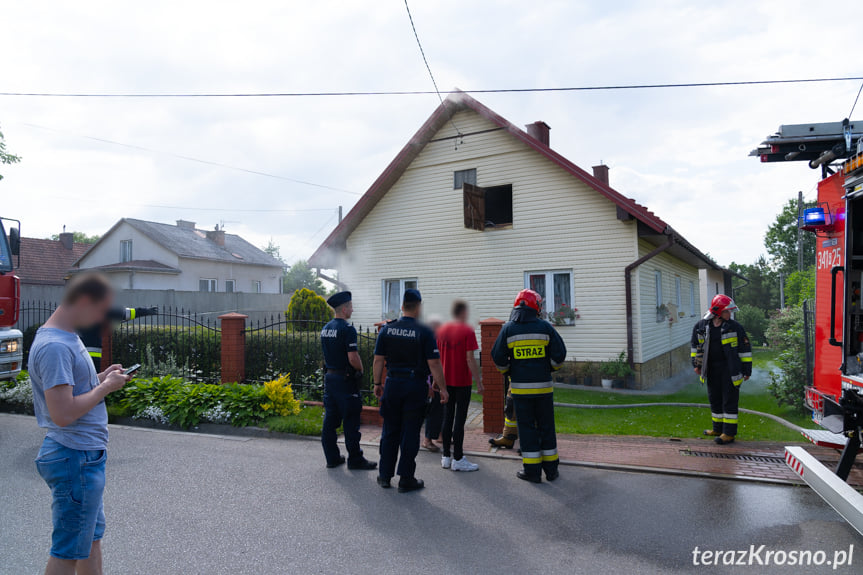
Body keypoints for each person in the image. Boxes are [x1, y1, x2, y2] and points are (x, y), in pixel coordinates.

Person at [29, 272, 131, 575]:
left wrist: (101, 378)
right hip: (74, 456)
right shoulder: (55, 347)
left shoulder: (67, 338)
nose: (102, 320)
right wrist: (105, 388)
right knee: (68, 552)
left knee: (89, 542)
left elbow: (72, 389)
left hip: (84, 456)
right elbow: (62, 413)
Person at [373, 289, 449, 493]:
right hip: (414, 387)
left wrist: (377, 384)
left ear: (402, 306)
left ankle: (384, 475)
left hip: (392, 385)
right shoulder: (424, 331)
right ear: (419, 306)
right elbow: (433, 362)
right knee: (410, 433)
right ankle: (406, 478)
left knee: (389, 431)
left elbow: (378, 360)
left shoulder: (387, 330)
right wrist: (442, 388)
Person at [491, 289, 566, 483]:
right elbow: (560, 355)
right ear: (536, 307)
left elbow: (497, 357)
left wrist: (509, 371)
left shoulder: (508, 329)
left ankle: (532, 472)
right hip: (544, 390)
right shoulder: (545, 328)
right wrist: (549, 368)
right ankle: (551, 471)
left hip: (520, 391)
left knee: (527, 430)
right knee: (547, 427)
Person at [320, 291, 377, 470]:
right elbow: (353, 357)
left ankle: (332, 458)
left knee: (330, 420)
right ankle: (355, 459)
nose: (353, 309)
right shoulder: (347, 329)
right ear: (344, 309)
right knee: (351, 421)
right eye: (351, 306)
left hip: (330, 378)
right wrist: (360, 369)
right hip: (345, 381)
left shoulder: (326, 328)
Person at [691, 294, 752, 445]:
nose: (729, 314)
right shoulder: (701, 326)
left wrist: (747, 370)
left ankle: (729, 433)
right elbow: (695, 348)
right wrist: (696, 365)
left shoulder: (735, 327)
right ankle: (717, 429)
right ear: (717, 311)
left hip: (730, 370)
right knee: (715, 399)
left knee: (729, 401)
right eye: (726, 311)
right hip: (711, 369)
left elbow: (745, 350)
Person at [438, 300, 483, 472]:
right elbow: (470, 358)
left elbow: (438, 358)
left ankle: (446, 457)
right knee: (459, 419)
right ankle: (458, 458)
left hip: (445, 381)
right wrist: (478, 381)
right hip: (462, 381)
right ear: (463, 313)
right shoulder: (467, 331)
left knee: (447, 417)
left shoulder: (441, 331)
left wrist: (436, 380)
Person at [78, 305, 159, 371]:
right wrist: (144, 311)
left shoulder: (71, 309)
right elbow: (125, 313)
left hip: (74, 354)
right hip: (92, 357)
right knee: (91, 383)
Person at [421, 316, 444, 453]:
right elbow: (429, 365)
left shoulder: (435, 340)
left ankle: (439, 435)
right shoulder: (427, 342)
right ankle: (427, 440)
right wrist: (429, 385)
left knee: (440, 409)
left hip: (437, 380)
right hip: (430, 382)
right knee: (433, 411)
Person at [488, 377, 518, 449]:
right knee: (511, 412)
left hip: (530, 384)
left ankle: (530, 444)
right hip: (515, 383)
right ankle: (508, 438)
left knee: (530, 413)